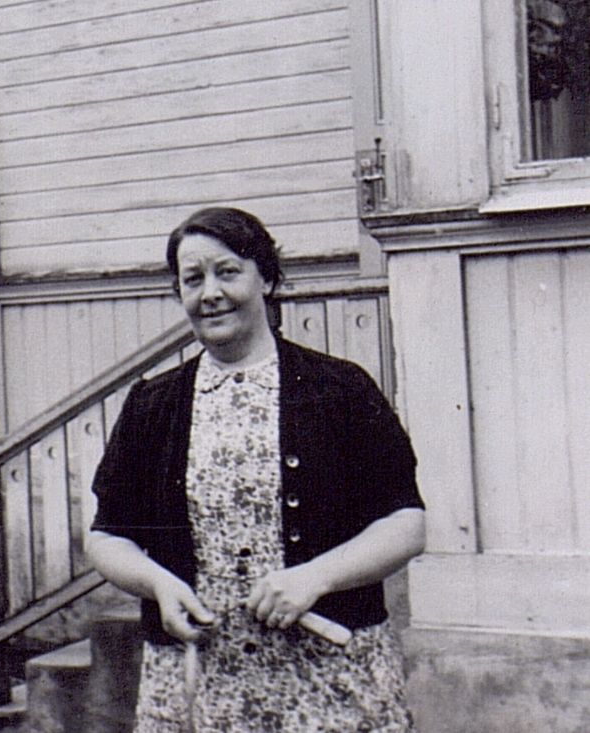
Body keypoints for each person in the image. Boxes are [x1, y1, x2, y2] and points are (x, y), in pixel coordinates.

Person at [87, 207, 426, 732]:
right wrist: (158, 584)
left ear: (266, 278)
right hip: (201, 685)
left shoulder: (340, 389)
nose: (210, 293)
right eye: (193, 279)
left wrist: (315, 577)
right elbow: (107, 537)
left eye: (228, 272)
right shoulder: (152, 405)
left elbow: (406, 525)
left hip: (332, 681)